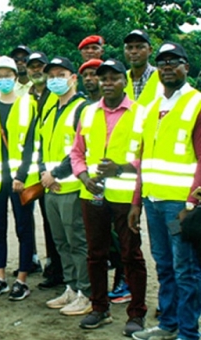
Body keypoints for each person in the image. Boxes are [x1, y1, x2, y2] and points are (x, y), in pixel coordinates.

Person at [70, 59, 148, 335]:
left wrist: (121, 169)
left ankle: (136, 314)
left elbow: (147, 158)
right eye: (104, 79)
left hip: (127, 197)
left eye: (114, 78)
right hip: (92, 194)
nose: (108, 83)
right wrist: (83, 177)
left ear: (124, 82)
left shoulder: (142, 114)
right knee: (96, 254)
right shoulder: (88, 113)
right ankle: (99, 309)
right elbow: (76, 152)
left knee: (131, 256)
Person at [131, 42, 201, 340]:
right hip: (153, 201)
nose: (167, 66)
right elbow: (143, 157)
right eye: (162, 62)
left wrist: (190, 203)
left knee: (186, 269)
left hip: (179, 205)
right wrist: (137, 200)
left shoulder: (196, 102)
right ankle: (168, 324)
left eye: (174, 61)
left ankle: (188, 332)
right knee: (164, 265)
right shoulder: (152, 107)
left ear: (187, 66)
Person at [0, 56, 37, 300]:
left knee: (24, 229)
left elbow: (33, 143)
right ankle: (1, 277)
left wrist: (22, 175)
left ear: (16, 77)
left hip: (20, 179)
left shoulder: (28, 104)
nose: (4, 80)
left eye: (8, 75)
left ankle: (22, 279)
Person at [38, 57, 91, 316]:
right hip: (51, 189)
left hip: (71, 187)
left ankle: (86, 292)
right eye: (51, 76)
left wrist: (56, 174)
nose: (55, 79)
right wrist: (43, 173)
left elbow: (80, 150)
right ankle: (71, 287)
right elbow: (41, 147)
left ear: (73, 78)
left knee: (78, 242)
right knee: (61, 243)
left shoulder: (82, 108)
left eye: (61, 74)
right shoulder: (50, 110)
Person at [25, 52, 63, 288]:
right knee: (32, 219)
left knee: (54, 222)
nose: (36, 70)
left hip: (53, 168)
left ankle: (57, 268)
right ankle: (43, 263)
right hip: (31, 168)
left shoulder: (56, 94)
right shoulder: (26, 95)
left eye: (40, 66)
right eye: (32, 67)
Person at [123, 29, 162, 107]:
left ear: (150, 50)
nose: (134, 51)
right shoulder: (121, 78)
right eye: (129, 48)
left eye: (139, 47)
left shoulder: (162, 77)